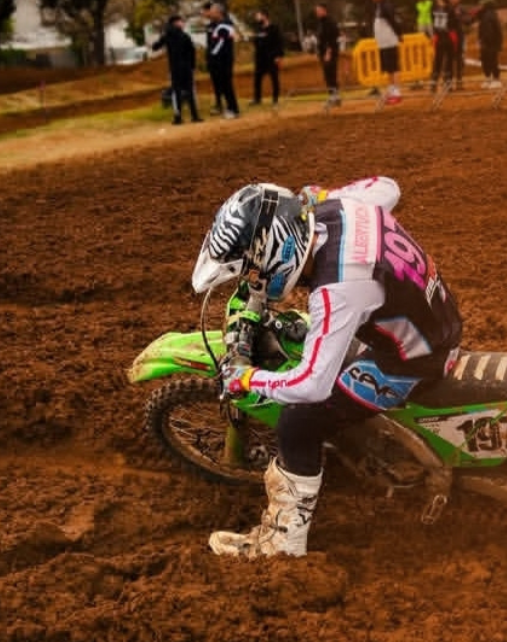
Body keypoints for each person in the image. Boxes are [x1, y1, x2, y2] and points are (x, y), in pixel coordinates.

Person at [192, 181, 462, 558]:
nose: (252, 279)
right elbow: (388, 187)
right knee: (301, 334)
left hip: (410, 361)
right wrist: (319, 196)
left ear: (275, 251)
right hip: (424, 321)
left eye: (253, 269)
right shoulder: (336, 208)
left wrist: (247, 378)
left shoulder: (338, 288)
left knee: (298, 422)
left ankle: (284, 545)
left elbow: (312, 385)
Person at [151, 15, 202, 124]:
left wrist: (158, 42)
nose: (182, 23)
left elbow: (155, 46)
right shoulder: (185, 35)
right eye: (181, 21)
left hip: (174, 68)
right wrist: (193, 66)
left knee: (176, 92)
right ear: (175, 22)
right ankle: (195, 116)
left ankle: (178, 117)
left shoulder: (167, 35)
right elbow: (192, 51)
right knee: (190, 91)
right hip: (186, 67)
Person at [205, 2, 240, 118]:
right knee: (223, 85)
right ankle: (230, 108)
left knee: (227, 85)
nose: (211, 13)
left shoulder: (225, 24)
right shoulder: (216, 25)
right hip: (218, 60)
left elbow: (220, 43)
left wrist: (212, 55)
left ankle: (234, 109)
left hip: (224, 60)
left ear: (219, 12)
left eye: (213, 11)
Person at [372, 0, 404, 104]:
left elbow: (393, 21)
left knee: (394, 67)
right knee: (388, 68)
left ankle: (397, 93)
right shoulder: (379, 7)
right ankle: (391, 91)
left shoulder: (386, 6)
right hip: (383, 43)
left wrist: (399, 34)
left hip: (390, 40)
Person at [251, 9, 284, 106]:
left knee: (274, 79)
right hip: (260, 59)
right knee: (257, 79)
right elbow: (256, 43)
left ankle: (275, 100)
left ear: (264, 16)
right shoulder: (258, 29)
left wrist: (279, 56)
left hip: (272, 58)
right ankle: (257, 99)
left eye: (258, 15)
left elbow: (279, 43)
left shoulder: (274, 28)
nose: (256, 18)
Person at [314, 3, 343, 107]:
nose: (316, 12)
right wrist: (318, 51)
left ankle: (334, 97)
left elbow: (332, 39)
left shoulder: (330, 22)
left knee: (331, 75)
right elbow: (320, 39)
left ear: (324, 10)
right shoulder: (320, 23)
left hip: (330, 53)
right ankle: (334, 97)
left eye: (318, 10)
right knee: (327, 76)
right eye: (316, 10)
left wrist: (328, 52)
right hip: (323, 53)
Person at [477, 0, 503, 89]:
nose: (479, 5)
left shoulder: (490, 15)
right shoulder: (483, 15)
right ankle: (488, 78)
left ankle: (496, 80)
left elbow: (496, 31)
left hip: (491, 43)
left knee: (492, 61)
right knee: (485, 61)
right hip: (485, 43)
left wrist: (496, 44)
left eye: (481, 4)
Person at [429, 0, 453, 92]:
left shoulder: (435, 7)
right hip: (443, 36)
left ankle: (443, 82)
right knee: (440, 60)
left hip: (443, 36)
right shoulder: (447, 8)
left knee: (443, 60)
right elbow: (453, 21)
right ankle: (437, 82)